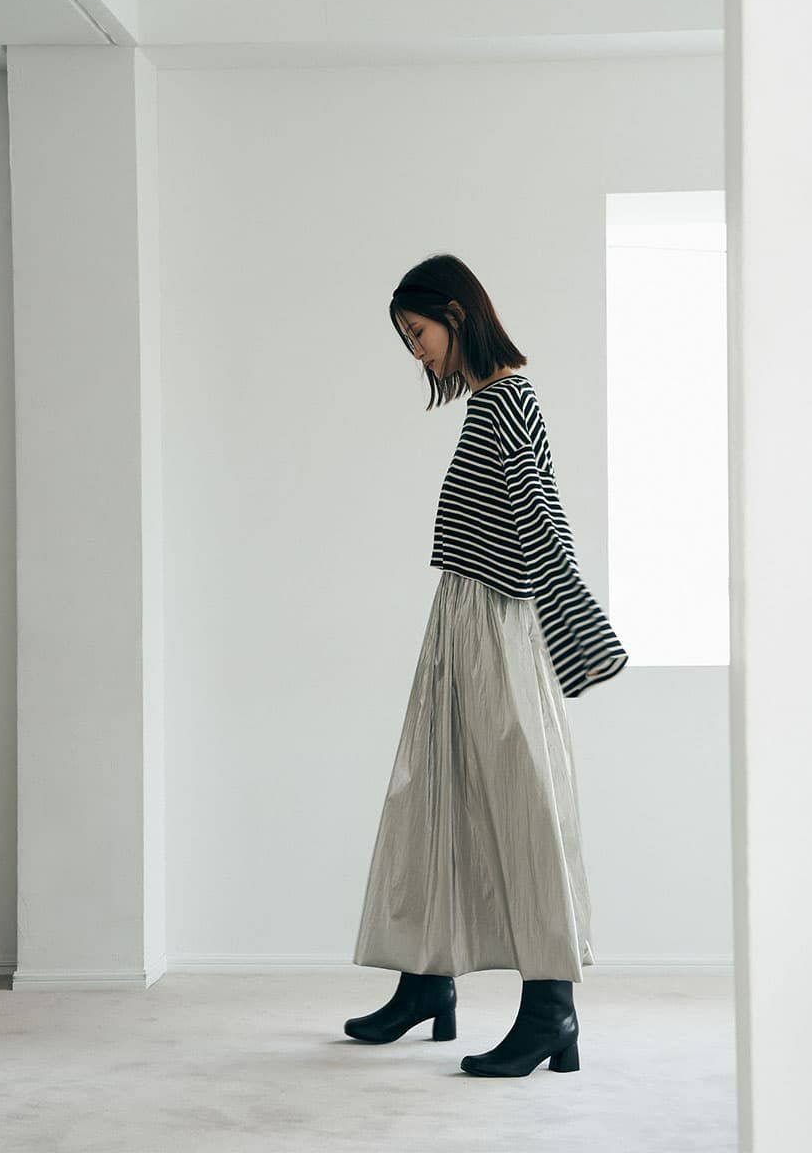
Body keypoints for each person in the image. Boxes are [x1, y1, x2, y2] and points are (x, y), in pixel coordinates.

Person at [345, 253, 629, 1077]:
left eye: (419, 333)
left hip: (499, 619)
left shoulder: (507, 400)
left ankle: (551, 1009)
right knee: (432, 799)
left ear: (456, 315)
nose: (416, 352)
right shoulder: (487, 405)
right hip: (460, 620)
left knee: (524, 805)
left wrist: (574, 625)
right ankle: (425, 981)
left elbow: (539, 515)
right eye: (406, 340)